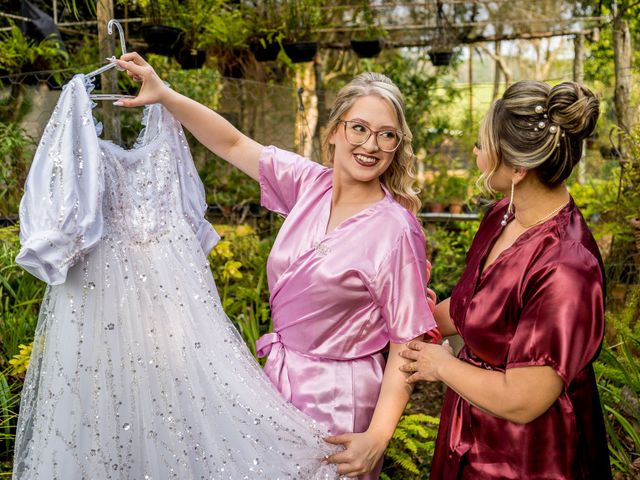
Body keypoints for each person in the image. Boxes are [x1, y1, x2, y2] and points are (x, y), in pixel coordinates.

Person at [114, 54, 439, 478]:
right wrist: (165, 95)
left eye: (387, 135)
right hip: (278, 381)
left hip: (341, 396)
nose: (370, 144)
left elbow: (405, 344)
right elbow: (232, 143)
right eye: (359, 128)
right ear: (335, 132)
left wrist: (376, 439)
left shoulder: (396, 230)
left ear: (397, 146)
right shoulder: (309, 185)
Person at [399, 80, 612, 479]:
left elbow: (525, 399)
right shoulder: (501, 216)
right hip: (472, 431)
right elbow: (473, 307)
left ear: (518, 167)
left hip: (529, 457)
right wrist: (418, 318)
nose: (477, 152)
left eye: (484, 145)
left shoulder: (567, 267)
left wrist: (441, 366)